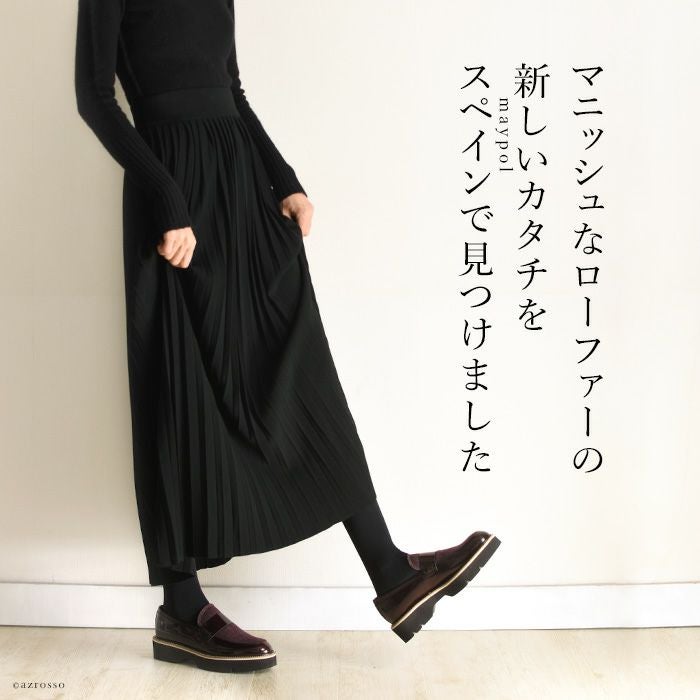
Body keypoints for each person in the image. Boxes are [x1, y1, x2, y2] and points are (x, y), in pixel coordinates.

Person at [74, 0, 501, 673]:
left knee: (298, 367)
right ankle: (181, 607)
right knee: (179, 385)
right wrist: (165, 196)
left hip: (242, 184)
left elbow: (233, 90)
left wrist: (284, 179)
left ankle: (392, 574)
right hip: (171, 193)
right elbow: (95, 98)